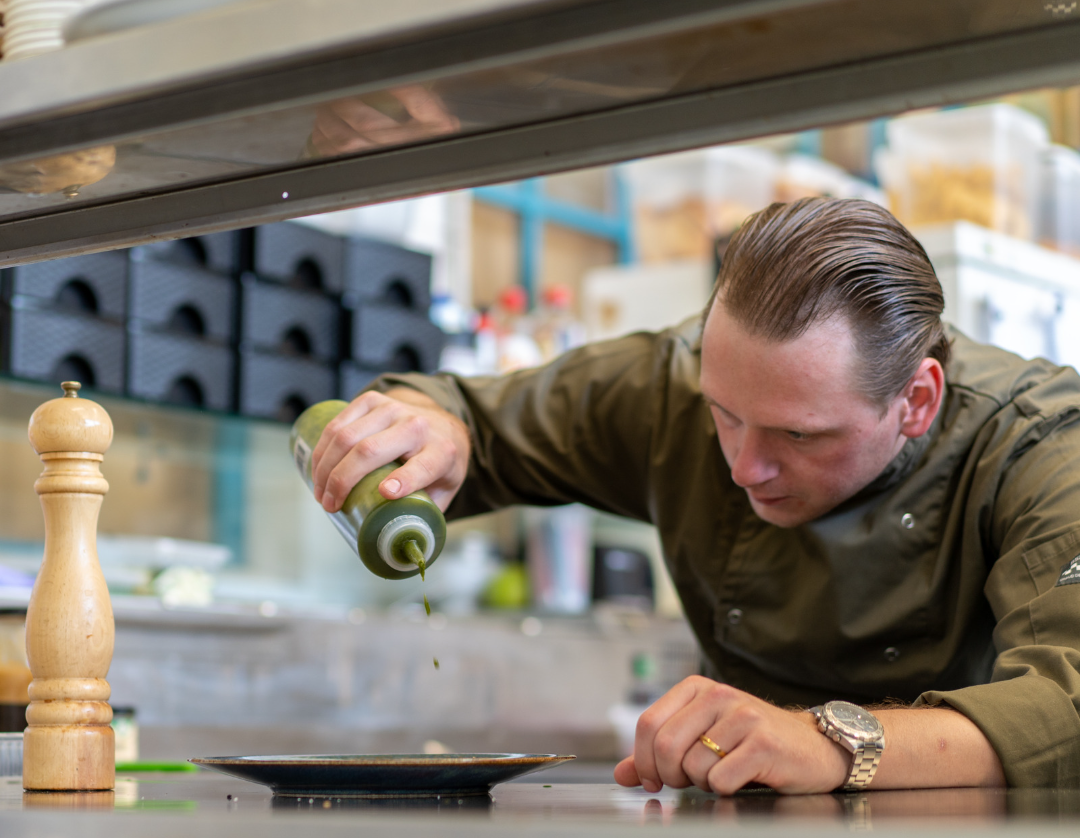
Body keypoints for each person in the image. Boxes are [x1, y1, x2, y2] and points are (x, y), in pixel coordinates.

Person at [310, 197, 1080, 793]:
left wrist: (828, 740)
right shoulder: (665, 384)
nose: (746, 467)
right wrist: (427, 432)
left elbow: (1066, 703)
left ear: (916, 400)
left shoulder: (1040, 445)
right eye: (724, 415)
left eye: (799, 436)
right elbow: (464, 413)